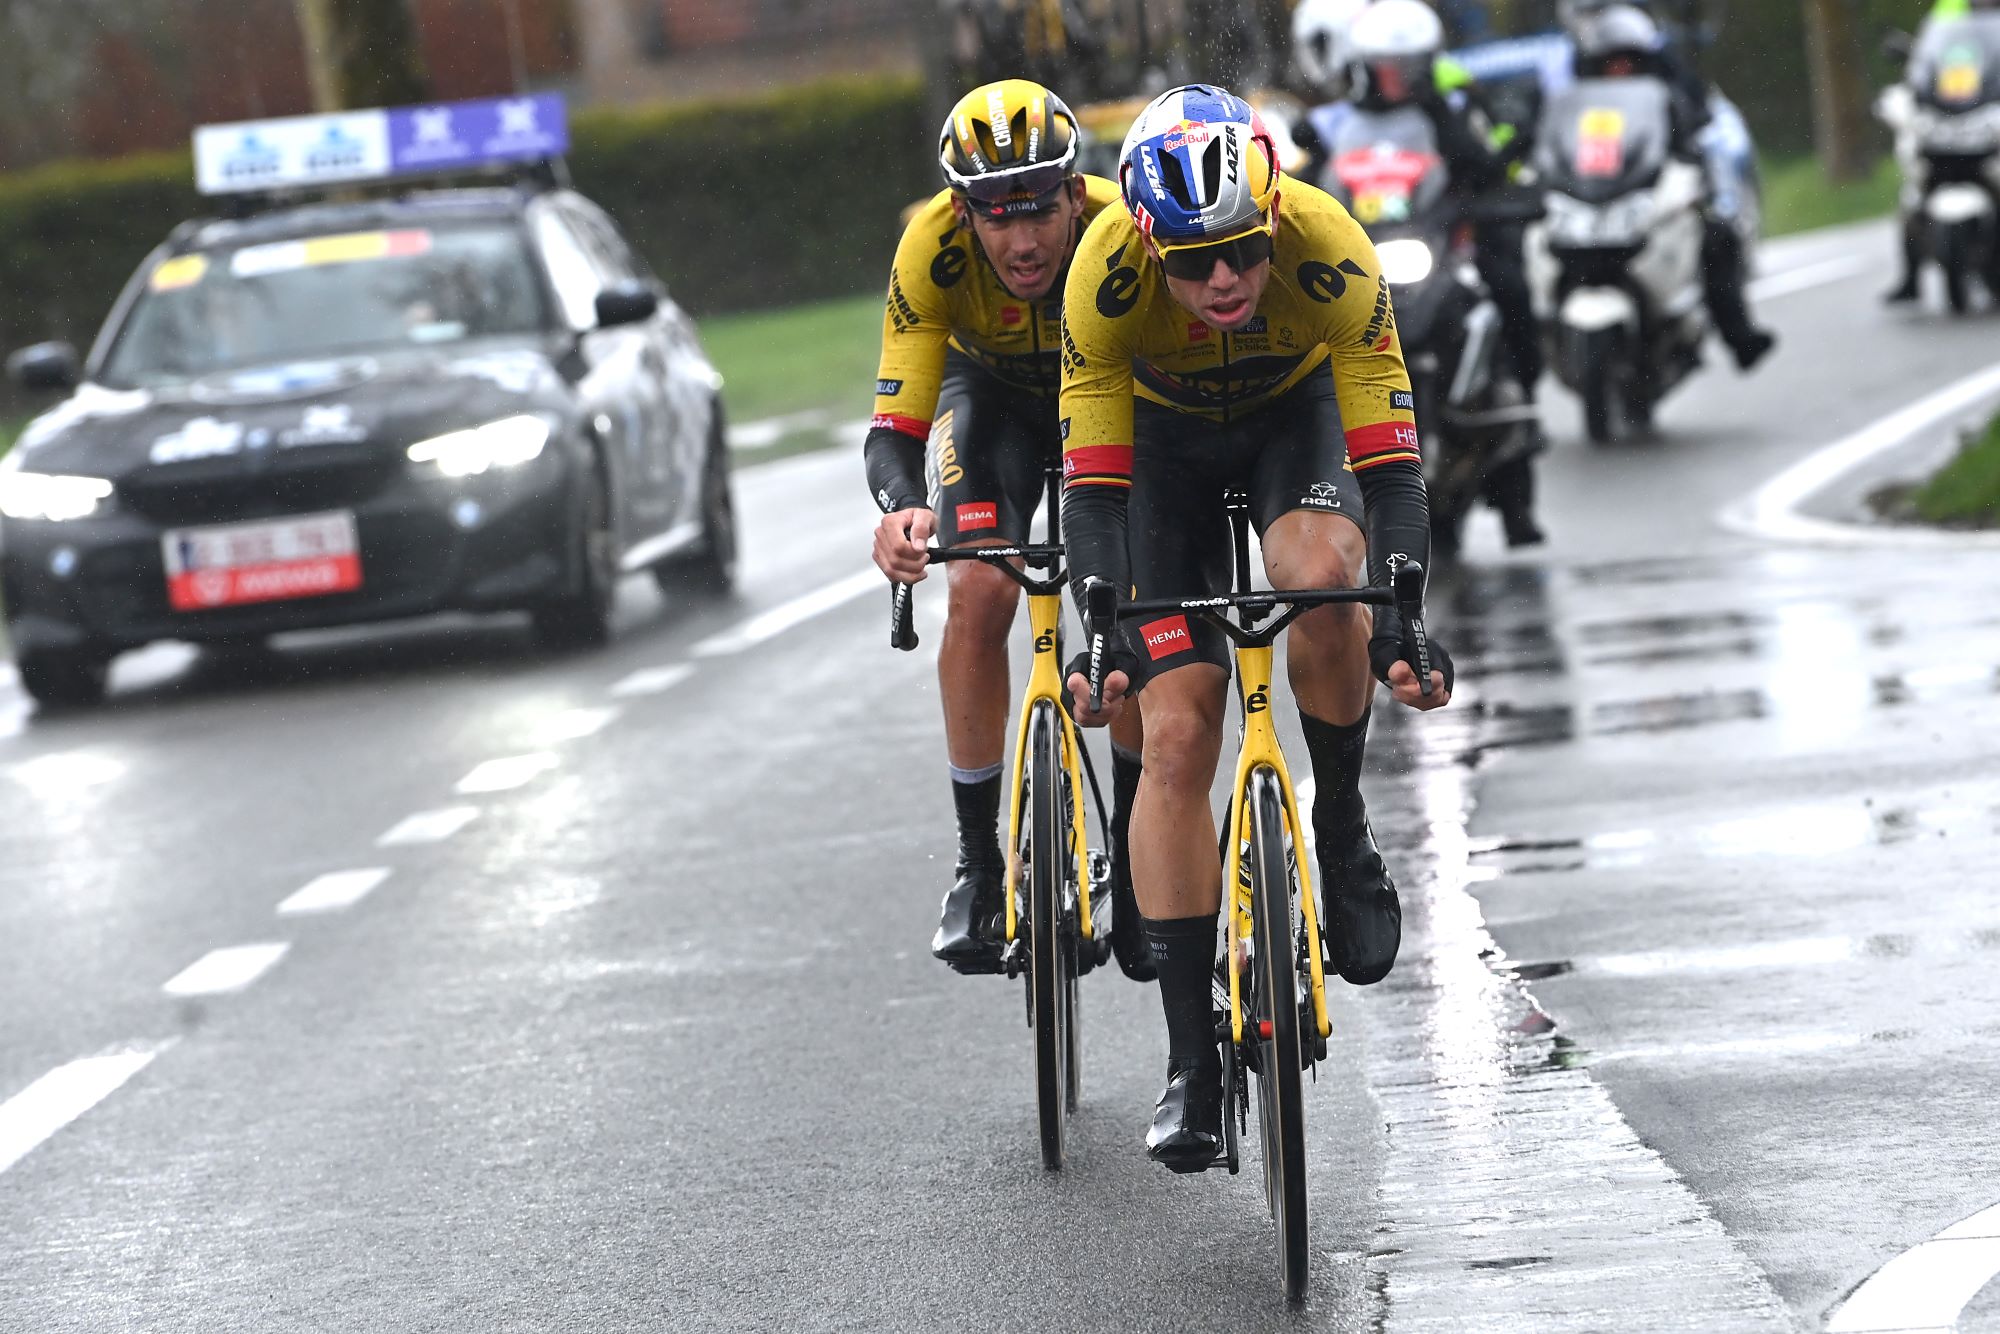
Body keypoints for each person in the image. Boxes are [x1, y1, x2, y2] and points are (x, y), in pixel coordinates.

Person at [1057, 84, 1455, 1171]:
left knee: (1322, 574)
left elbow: (1389, 466)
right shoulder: (1099, 279)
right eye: (1190, 262)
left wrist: (1398, 621)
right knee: (1176, 734)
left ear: (1272, 217)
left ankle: (1339, 826)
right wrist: (1101, 633)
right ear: (1146, 246)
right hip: (1159, 459)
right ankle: (1191, 1059)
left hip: (1295, 420)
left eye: (1237, 250)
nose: (1221, 279)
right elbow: (1090, 496)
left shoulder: (1331, 246)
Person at [866, 79, 1155, 982]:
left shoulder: (1125, 233)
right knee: (982, 585)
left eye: (1038, 208)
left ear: (1077, 193)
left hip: (1103, 391)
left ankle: (1140, 862)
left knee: (1130, 599)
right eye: (996, 214)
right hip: (988, 399)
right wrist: (901, 511)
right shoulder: (931, 249)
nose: (1021, 240)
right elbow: (894, 430)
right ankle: (979, 865)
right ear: (964, 211)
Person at [1346, 0, 1547, 549]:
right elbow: (1319, 182)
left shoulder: (1451, 105)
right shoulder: (1345, 120)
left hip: (1446, 242)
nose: (1400, 77)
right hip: (1369, 252)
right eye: (1389, 65)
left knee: (1506, 292)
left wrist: (1487, 193)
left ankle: (1517, 481)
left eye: (1410, 65)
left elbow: (1486, 164)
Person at [1568, 4, 1776, 369]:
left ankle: (1738, 335)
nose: (1619, 71)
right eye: (1610, 64)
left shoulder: (1667, 79)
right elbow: (1556, 138)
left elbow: (1697, 117)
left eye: (1626, 63)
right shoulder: (1577, 88)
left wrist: (1692, 155)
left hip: (1651, 190)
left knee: (1715, 237)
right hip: (1593, 197)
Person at [1885, 0, 2000, 302]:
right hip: (1958, 101)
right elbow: (1933, 50)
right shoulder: (1951, 7)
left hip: (1993, 102)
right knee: (1914, 189)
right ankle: (1910, 277)